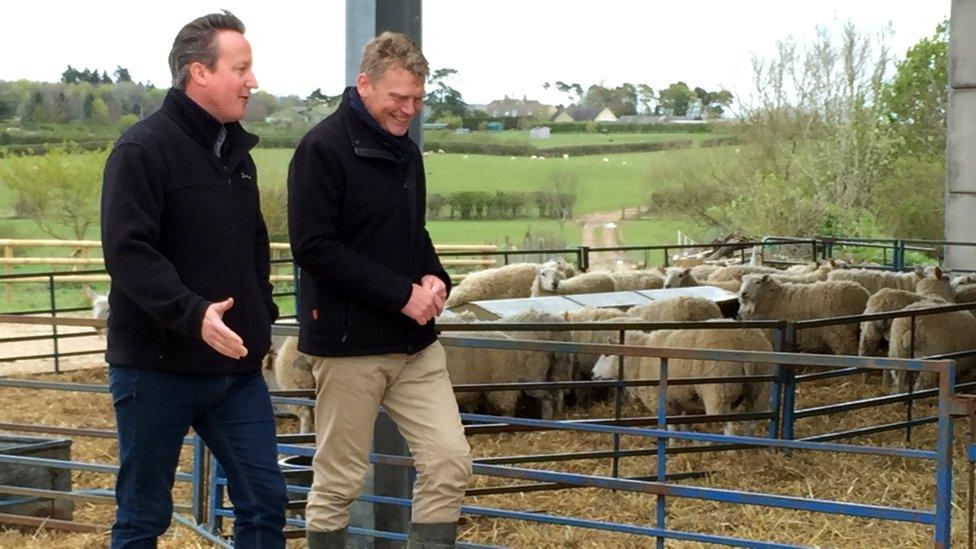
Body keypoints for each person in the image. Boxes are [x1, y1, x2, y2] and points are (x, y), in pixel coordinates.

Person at [100, 11, 286, 548]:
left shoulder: (236, 156)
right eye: (241, 68)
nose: (252, 81)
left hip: (234, 369)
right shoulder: (142, 150)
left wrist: (261, 313)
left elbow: (254, 246)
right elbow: (129, 252)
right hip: (154, 368)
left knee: (265, 500)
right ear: (198, 73)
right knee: (143, 515)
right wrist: (192, 312)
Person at [288, 31, 473, 549]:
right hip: (349, 345)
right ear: (364, 84)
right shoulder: (321, 149)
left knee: (449, 460)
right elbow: (313, 247)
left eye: (416, 99)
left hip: (415, 343)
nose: (408, 110)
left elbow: (413, 234)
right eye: (398, 98)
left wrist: (435, 276)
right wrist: (401, 294)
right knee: (339, 479)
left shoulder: (406, 154)